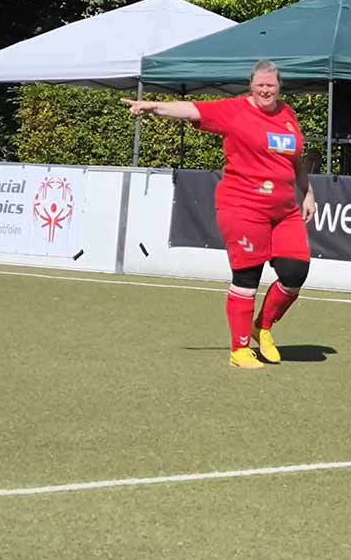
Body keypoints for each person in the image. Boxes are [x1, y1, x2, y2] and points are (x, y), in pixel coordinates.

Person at [123, 60, 317, 370]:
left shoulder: (288, 113)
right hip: (243, 206)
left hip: (285, 212)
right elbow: (192, 110)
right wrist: (153, 106)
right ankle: (239, 350)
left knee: (295, 274)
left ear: (279, 87)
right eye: (260, 85)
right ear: (251, 85)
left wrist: (308, 193)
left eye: (272, 85)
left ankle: (262, 328)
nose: (266, 90)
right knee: (247, 276)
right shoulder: (234, 110)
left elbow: (295, 162)